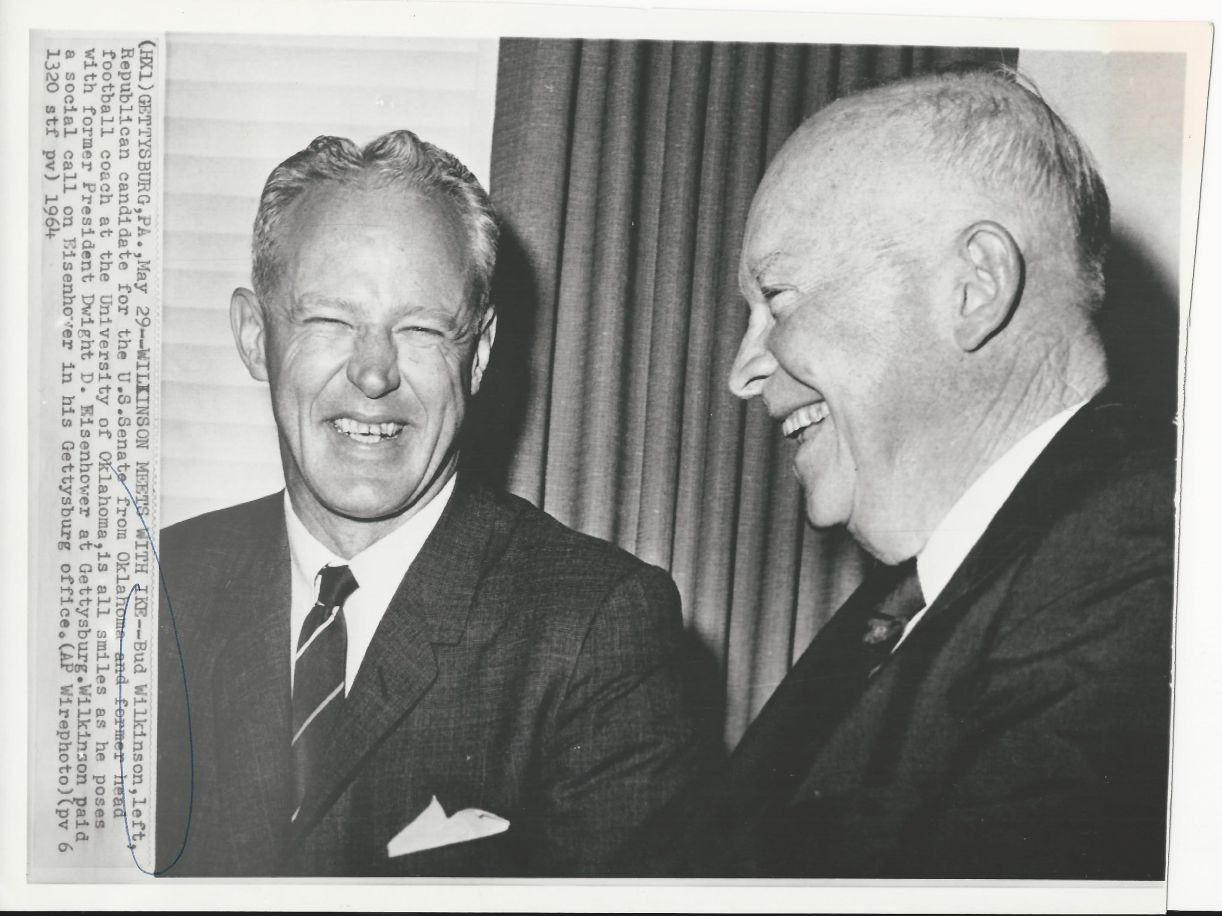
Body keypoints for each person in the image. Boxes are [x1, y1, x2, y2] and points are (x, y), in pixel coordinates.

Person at [620, 67, 1174, 880]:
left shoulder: (1143, 562)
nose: (743, 371)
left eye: (779, 299)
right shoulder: (919, 598)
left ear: (974, 287)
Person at [155, 130, 700, 877]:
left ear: (476, 356)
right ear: (256, 336)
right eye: (330, 321)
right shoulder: (161, 585)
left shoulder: (595, 627)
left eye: (419, 329)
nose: (374, 373)